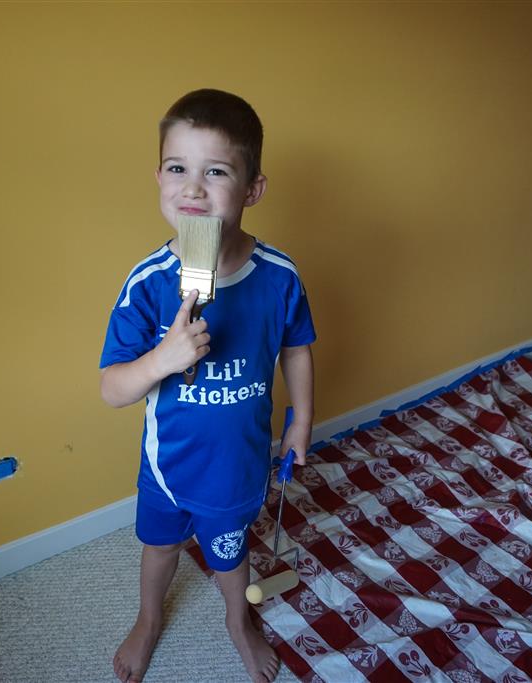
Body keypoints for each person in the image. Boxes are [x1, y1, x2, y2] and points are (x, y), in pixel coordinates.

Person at [99, 88, 316, 683]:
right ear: (158, 178)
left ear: (252, 190)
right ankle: (149, 619)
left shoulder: (278, 277)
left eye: (215, 172)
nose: (192, 189)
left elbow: (296, 346)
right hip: (168, 465)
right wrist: (162, 359)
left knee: (230, 555)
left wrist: (300, 420)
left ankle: (237, 621)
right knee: (160, 548)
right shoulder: (148, 284)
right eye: (177, 168)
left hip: (238, 465)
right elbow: (112, 389)